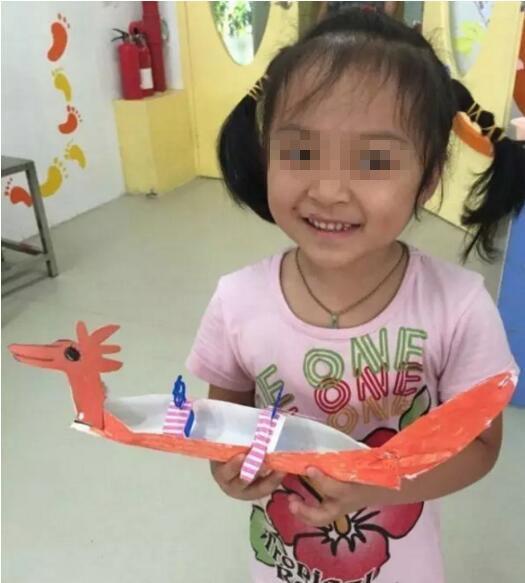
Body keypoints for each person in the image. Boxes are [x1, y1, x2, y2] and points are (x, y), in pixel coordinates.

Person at [186, 8, 523, 583]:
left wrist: (374, 484)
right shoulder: (237, 301)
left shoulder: (458, 307)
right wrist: (228, 466)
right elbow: (226, 422)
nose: (329, 190)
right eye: (300, 153)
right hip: (283, 565)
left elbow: (479, 447)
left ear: (428, 178)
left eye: (373, 161)